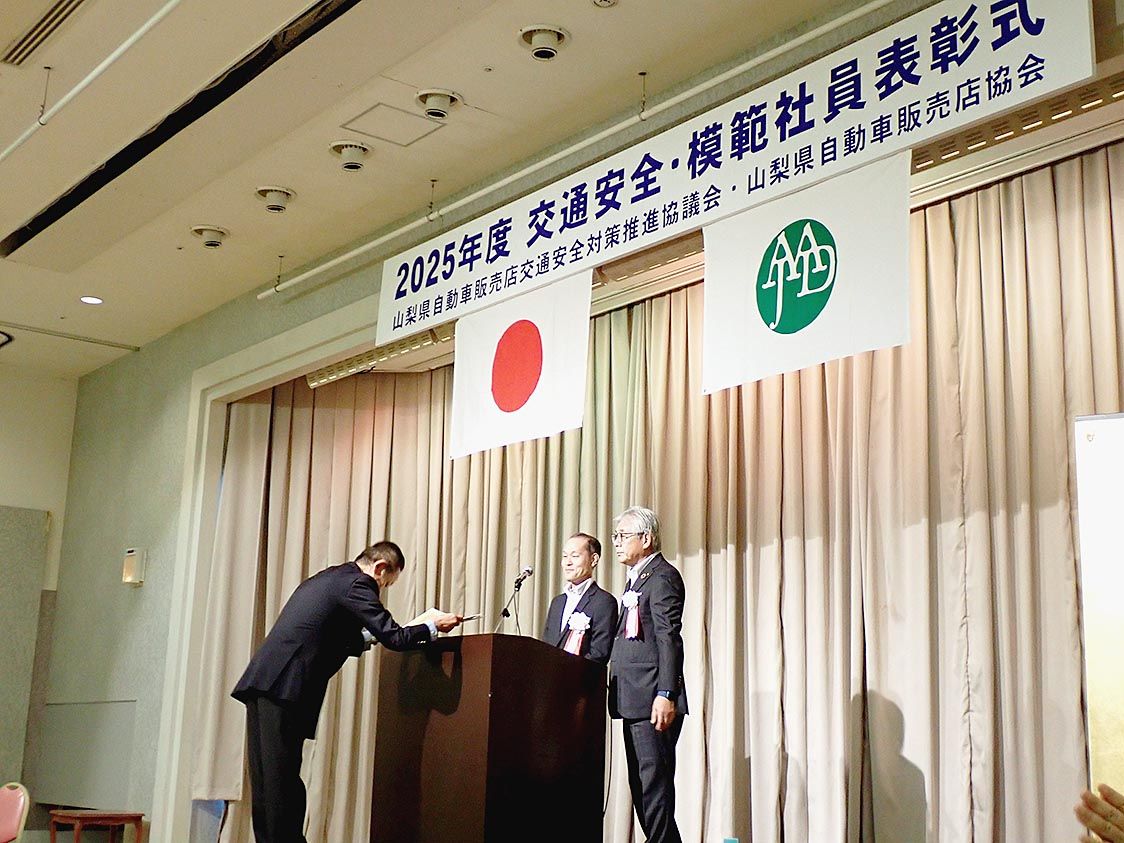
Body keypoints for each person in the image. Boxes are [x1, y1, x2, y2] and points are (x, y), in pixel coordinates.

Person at [232, 541, 461, 843]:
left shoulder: (332, 577)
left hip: (266, 682)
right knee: (281, 785)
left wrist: (374, 636)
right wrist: (432, 626)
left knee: (268, 785)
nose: (380, 591)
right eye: (386, 584)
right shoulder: (358, 583)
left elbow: (330, 634)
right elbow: (395, 638)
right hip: (285, 687)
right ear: (380, 568)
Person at [608, 506, 687, 843]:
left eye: (623, 535)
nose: (616, 542)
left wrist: (666, 693)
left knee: (654, 788)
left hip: (653, 697)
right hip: (632, 697)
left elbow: (669, 638)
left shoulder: (663, 576)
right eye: (615, 536)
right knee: (641, 787)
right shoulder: (638, 577)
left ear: (646, 538)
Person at [541, 532, 618, 665]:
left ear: (593, 560)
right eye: (565, 556)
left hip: (581, 675)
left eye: (575, 556)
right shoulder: (557, 602)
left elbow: (599, 654)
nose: (568, 563)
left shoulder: (604, 602)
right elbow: (546, 646)